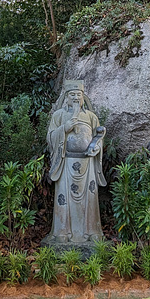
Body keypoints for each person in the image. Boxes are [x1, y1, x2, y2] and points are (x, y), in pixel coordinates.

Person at [46, 80, 106, 244]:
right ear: (66, 97)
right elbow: (50, 137)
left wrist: (96, 147)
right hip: (66, 163)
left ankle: (92, 231)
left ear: (83, 97)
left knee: (90, 198)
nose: (75, 98)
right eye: (72, 94)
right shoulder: (58, 115)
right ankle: (62, 232)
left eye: (78, 95)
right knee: (64, 197)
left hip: (88, 164)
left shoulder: (91, 116)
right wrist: (63, 129)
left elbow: (98, 137)